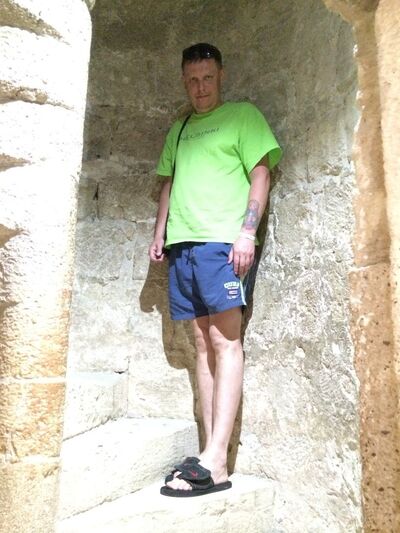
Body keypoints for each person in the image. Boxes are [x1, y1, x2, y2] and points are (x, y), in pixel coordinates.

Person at [148, 43, 282, 497]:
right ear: (184, 81)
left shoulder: (243, 116)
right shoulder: (181, 127)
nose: (200, 87)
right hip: (183, 245)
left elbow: (260, 174)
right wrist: (160, 232)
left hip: (222, 243)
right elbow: (169, 183)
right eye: (192, 80)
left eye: (207, 78)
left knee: (226, 342)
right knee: (202, 345)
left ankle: (218, 461)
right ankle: (208, 453)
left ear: (220, 76)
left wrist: (247, 233)